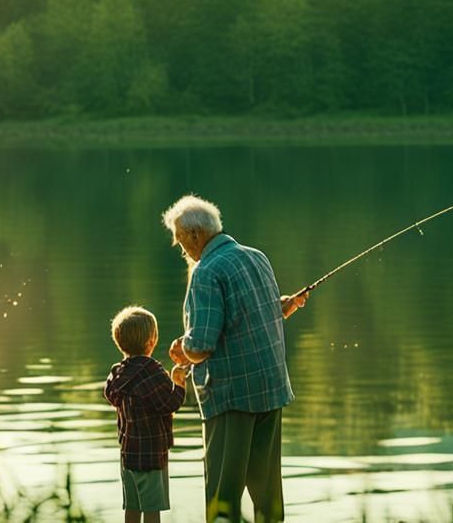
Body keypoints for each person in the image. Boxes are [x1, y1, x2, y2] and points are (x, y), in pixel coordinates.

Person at [161, 195, 308, 523]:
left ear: (196, 236)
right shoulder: (256, 257)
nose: (181, 248)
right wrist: (286, 305)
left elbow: (201, 346)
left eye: (180, 240)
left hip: (232, 397)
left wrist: (179, 349)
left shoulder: (206, 272)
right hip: (270, 391)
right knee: (267, 495)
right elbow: (260, 314)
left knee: (222, 496)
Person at [105, 305, 189, 523]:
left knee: (132, 508)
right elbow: (169, 403)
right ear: (152, 341)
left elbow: (109, 394)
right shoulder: (152, 371)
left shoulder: (117, 373)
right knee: (152, 510)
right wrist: (178, 382)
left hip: (128, 456)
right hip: (151, 456)